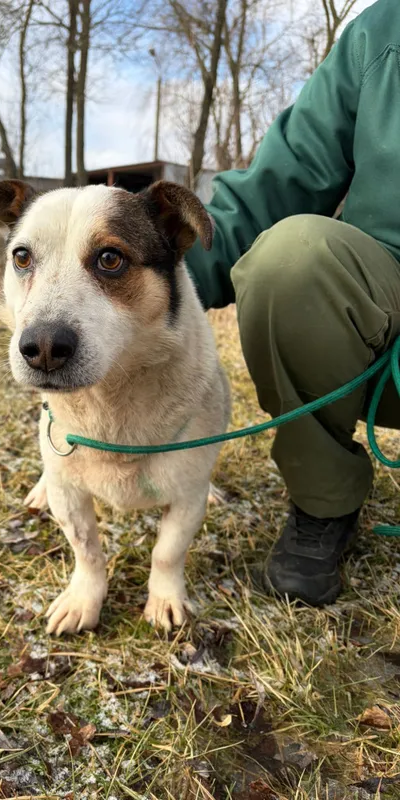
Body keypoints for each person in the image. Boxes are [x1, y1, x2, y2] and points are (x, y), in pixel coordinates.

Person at [184, 0, 400, 607]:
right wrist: (132, 260)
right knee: (293, 256)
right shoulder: (382, 35)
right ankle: (324, 501)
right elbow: (267, 195)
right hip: (383, 315)